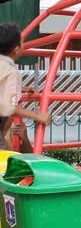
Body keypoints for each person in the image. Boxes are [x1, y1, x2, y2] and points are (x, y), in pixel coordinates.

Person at [0, 22, 51, 150]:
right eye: (23, 42)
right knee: (6, 163)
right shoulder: (11, 72)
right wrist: (39, 116)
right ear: (16, 50)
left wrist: (19, 89)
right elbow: (9, 107)